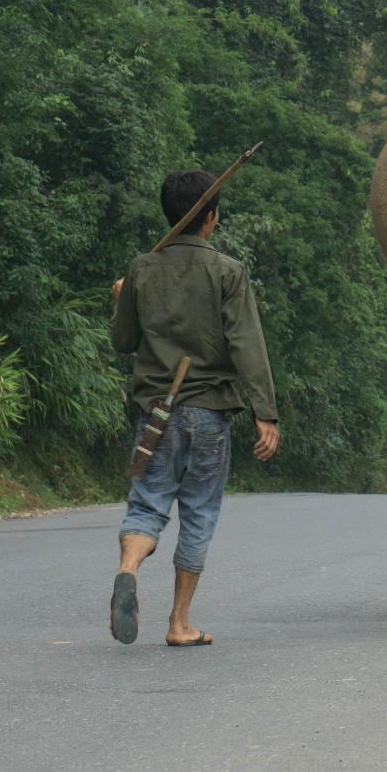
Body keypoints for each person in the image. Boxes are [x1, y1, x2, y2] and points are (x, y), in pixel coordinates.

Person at [109, 169, 280, 646]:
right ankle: (179, 623)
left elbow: (124, 342)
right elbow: (247, 344)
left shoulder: (142, 268)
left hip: (155, 415)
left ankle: (128, 568)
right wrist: (265, 412)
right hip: (208, 415)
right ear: (210, 217)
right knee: (199, 513)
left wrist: (121, 299)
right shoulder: (228, 272)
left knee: (146, 506)